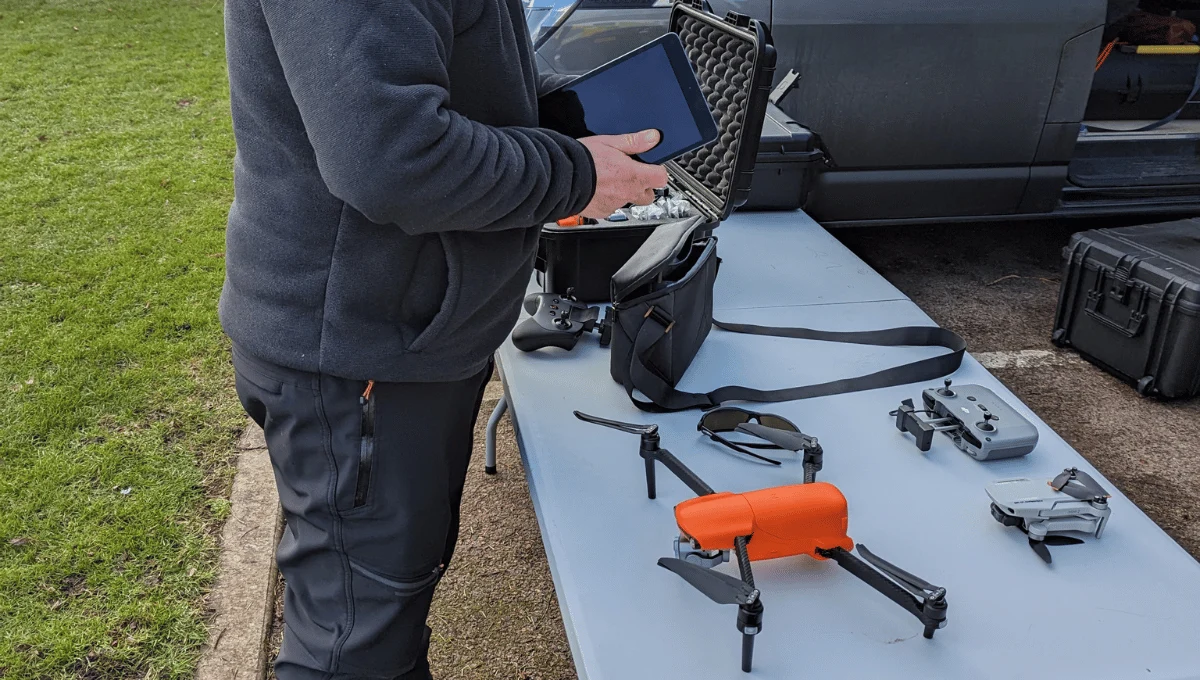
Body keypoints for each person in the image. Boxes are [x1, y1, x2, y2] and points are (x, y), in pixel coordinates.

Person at [218, 0, 668, 677]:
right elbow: (391, 157)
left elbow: (456, 73)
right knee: (355, 644)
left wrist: (572, 118)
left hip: (397, 338)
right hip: (363, 355)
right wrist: (576, 173)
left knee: (384, 603)